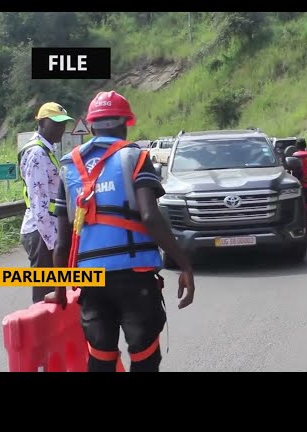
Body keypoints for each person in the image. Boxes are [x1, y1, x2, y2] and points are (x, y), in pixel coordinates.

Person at [45, 91, 195, 373]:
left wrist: (59, 289)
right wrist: (184, 264)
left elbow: (61, 243)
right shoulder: (134, 157)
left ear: (91, 127)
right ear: (125, 123)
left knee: (100, 356)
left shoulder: (68, 167)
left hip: (89, 279)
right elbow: (150, 216)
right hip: (134, 275)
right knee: (144, 354)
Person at [17, 102, 74, 304]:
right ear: (41, 123)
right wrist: (53, 243)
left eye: (63, 124)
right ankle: (40, 335)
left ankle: (50, 334)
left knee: (53, 292)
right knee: (44, 296)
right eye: (56, 123)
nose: (61, 128)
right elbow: (39, 202)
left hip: (47, 230)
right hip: (42, 232)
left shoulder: (46, 150)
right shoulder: (37, 153)